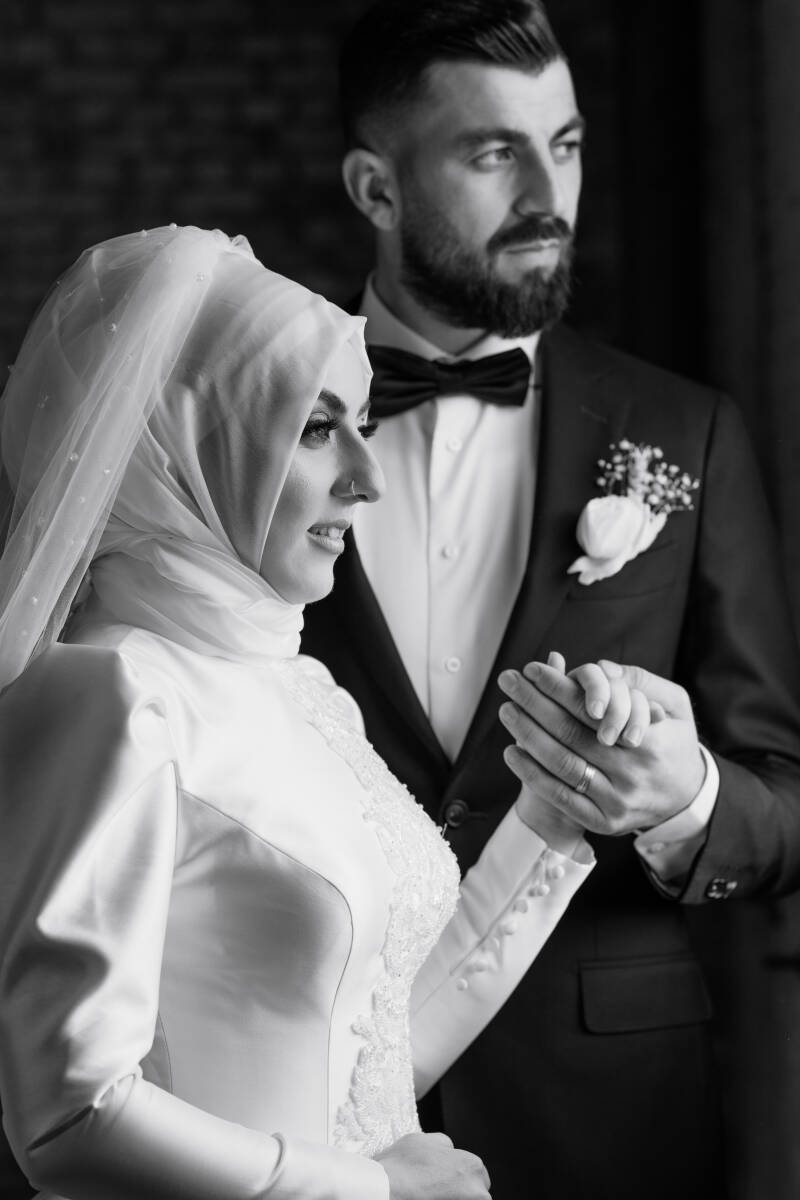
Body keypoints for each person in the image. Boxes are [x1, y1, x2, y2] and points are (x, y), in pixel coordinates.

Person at [299, 2, 800, 1198]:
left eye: (563, 146)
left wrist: (681, 800)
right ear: (374, 188)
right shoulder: (255, 416)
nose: (546, 195)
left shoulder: (681, 433)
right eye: (493, 153)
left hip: (610, 1121)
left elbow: (780, 803)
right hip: (307, 1101)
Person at [0, 224, 601, 1200]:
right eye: (317, 430)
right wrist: (375, 1191)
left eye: (363, 423)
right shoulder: (114, 694)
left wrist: (554, 807)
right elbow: (67, 1117)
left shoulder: (306, 690)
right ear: (189, 447)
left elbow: (373, 1041)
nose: (367, 476)